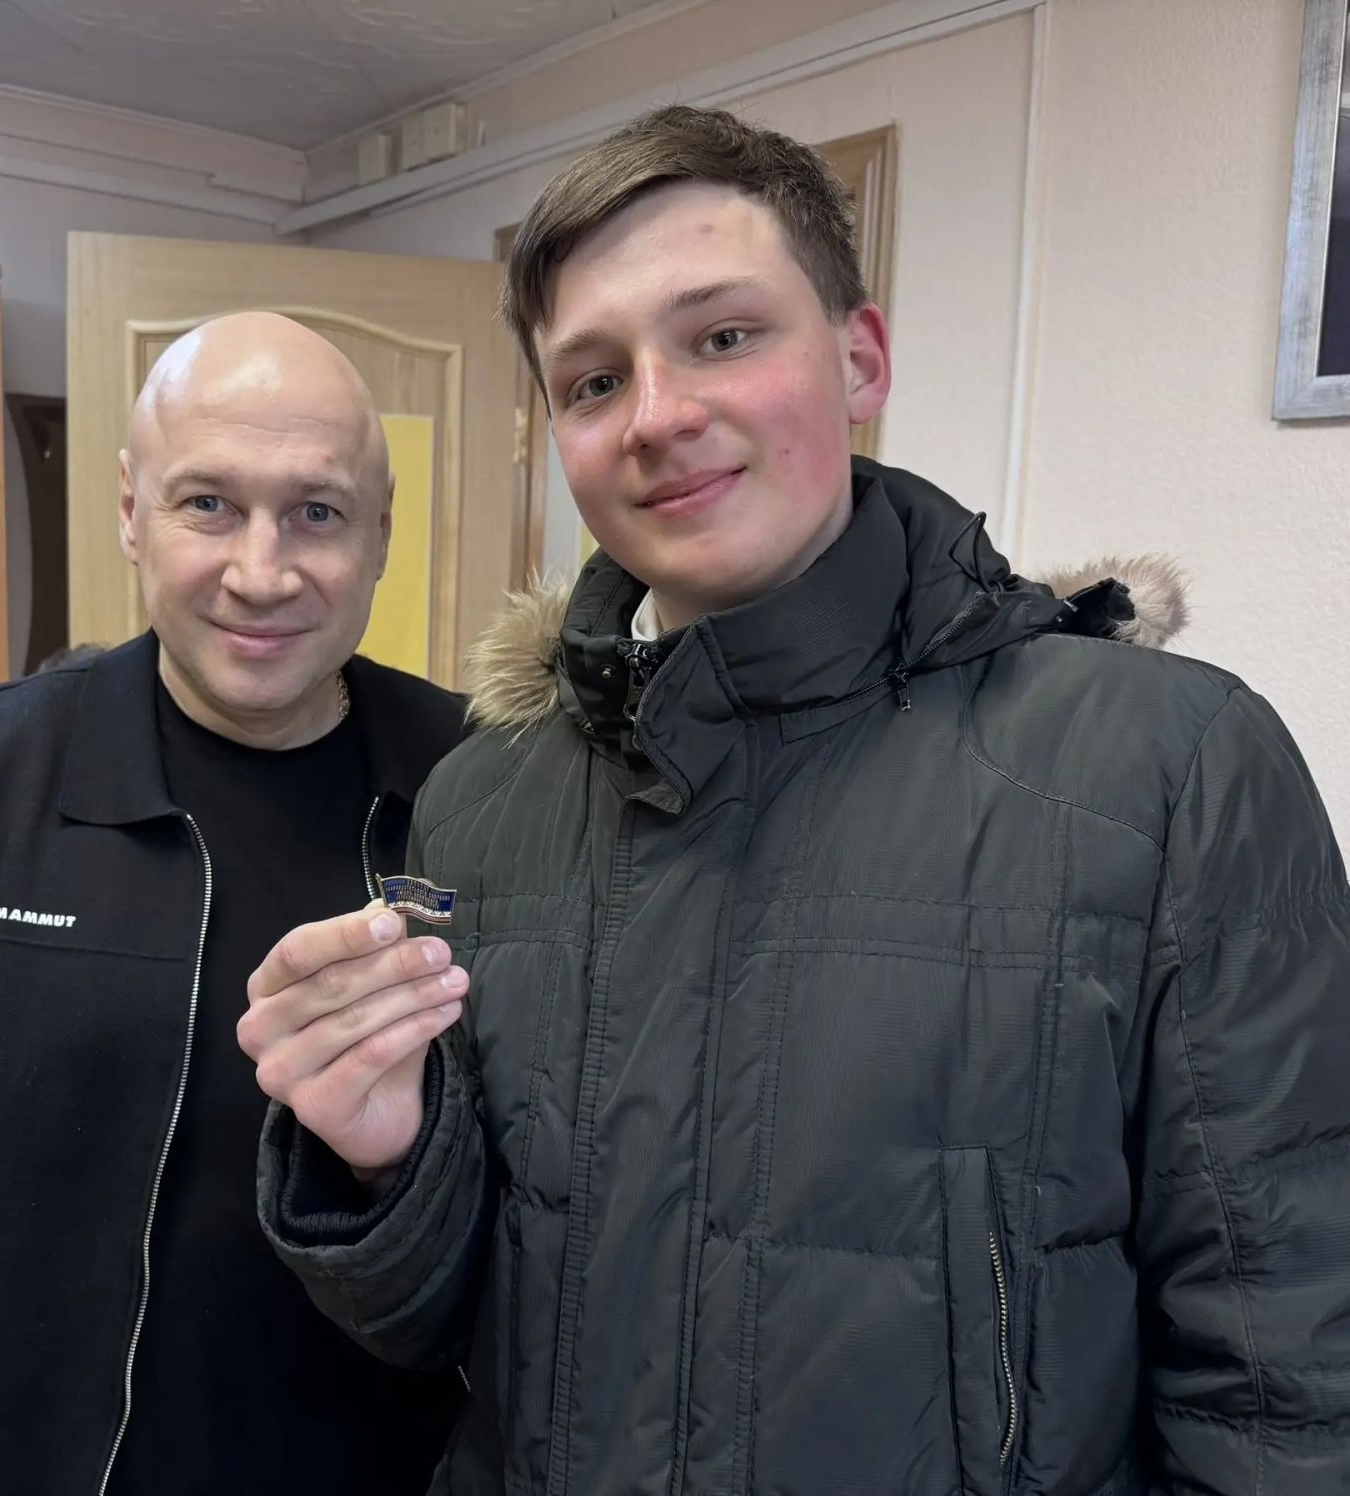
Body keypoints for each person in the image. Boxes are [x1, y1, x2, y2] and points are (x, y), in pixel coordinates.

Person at [240, 108, 1350, 1493]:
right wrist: (382, 1162)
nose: (657, 414)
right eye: (593, 380)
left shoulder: (1169, 772)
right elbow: (443, 1333)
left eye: (723, 335)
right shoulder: (482, 805)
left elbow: (1288, 1379)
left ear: (859, 358)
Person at [0, 313, 465, 1495]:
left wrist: (399, 1165)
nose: (262, 570)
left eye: (317, 511)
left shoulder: (481, 792)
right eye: (208, 504)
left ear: (380, 532)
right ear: (131, 509)